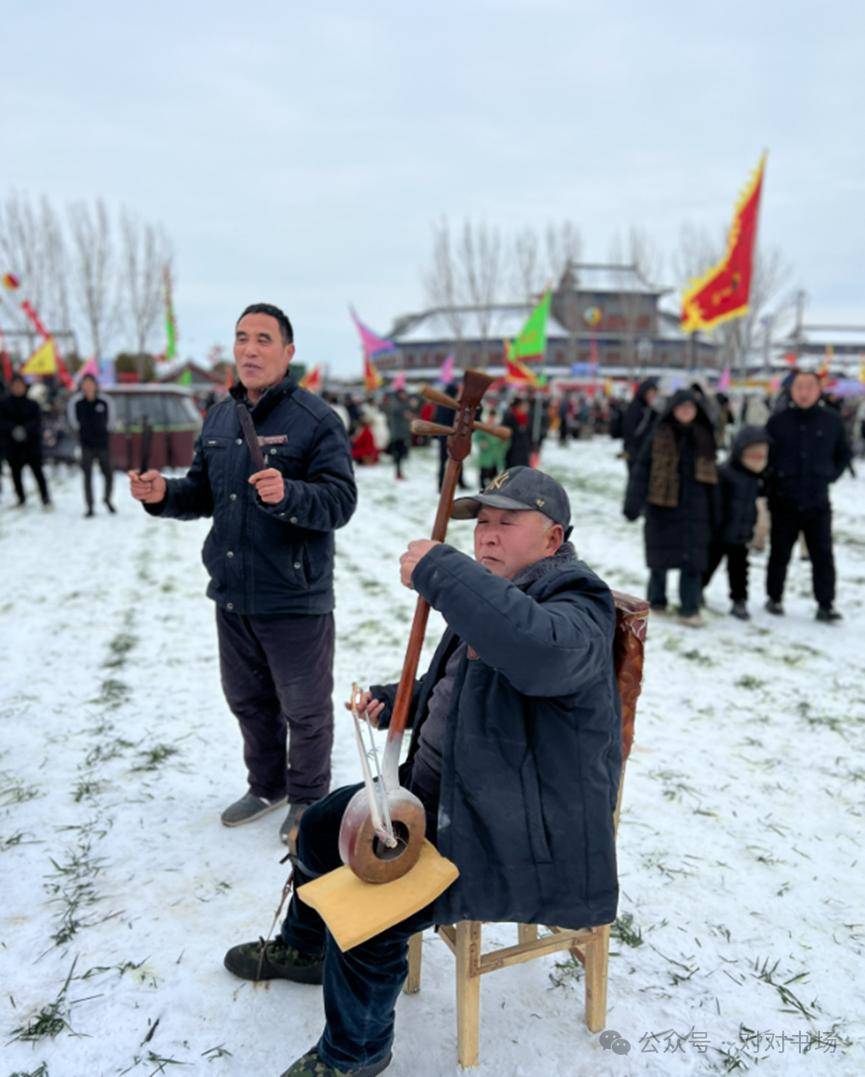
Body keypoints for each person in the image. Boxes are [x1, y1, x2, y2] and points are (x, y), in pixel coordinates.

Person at [223, 466, 620, 1077]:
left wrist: (441, 570)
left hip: (505, 827)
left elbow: (541, 656)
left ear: (553, 537)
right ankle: (305, 947)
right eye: (481, 523)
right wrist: (396, 697)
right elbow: (467, 685)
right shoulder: (498, 595)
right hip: (444, 791)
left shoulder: (577, 605)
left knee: (373, 903)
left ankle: (355, 1054)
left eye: (506, 523)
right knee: (324, 822)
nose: (486, 536)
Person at [129, 302, 357, 845]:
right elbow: (203, 493)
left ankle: (308, 799)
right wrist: (164, 496)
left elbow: (341, 501)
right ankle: (267, 785)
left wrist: (291, 493)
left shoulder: (316, 420)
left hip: (294, 595)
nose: (250, 349)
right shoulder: (220, 416)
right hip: (232, 594)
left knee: (303, 709)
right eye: (241, 338)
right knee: (247, 700)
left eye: (263, 339)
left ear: (288, 352)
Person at [624, 389, 718, 627]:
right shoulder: (658, 434)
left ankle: (690, 608)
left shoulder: (705, 436)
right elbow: (642, 470)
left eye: (690, 408)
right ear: (673, 410)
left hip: (696, 508)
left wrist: (717, 511)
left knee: (693, 562)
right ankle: (657, 602)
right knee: (659, 559)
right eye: (681, 407)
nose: (686, 412)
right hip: (661, 507)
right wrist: (632, 504)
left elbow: (714, 479)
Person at [764, 370, 851, 622]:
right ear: (792, 390)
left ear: (818, 389)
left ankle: (826, 604)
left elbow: (843, 454)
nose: (804, 392)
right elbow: (766, 457)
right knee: (779, 552)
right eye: (799, 387)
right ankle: (774, 597)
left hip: (817, 501)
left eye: (809, 387)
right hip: (784, 500)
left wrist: (829, 475)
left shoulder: (832, 421)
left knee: (822, 554)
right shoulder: (778, 421)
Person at [703, 427, 770, 620]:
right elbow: (715, 504)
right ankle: (698, 589)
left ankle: (739, 600)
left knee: (740, 570)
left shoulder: (758, 478)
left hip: (741, 534)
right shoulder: (725, 473)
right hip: (720, 533)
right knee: (709, 564)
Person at [0, 374, 52, 510]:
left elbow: (37, 422)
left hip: (31, 446)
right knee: (16, 474)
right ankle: (21, 498)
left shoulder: (32, 404)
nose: (17, 388)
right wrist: (13, 429)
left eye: (20, 385)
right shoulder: (4, 404)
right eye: (15, 385)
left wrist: (24, 430)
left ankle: (45, 498)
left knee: (38, 473)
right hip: (12, 446)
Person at [68, 374, 116, 517]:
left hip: (103, 444)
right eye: (85, 383)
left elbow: (112, 421)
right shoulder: (77, 402)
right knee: (87, 476)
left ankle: (107, 499)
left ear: (95, 385)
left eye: (91, 383)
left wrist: (106, 433)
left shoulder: (105, 401)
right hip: (86, 445)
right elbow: (73, 421)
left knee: (108, 473)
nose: (88, 386)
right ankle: (89, 506)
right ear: (81, 386)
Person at [621, 377, 658, 471]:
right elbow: (631, 431)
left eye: (654, 393)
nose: (652, 396)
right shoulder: (635, 408)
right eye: (650, 393)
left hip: (645, 450)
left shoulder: (650, 409)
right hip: (634, 450)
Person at [472, 405, 508, 489]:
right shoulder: (483, 426)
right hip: (485, 455)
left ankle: (492, 488)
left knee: (494, 474)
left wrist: (503, 445)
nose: (491, 419)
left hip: (495, 455)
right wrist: (481, 442)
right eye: (490, 417)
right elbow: (477, 436)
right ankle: (482, 488)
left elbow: (505, 440)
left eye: (493, 417)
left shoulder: (499, 427)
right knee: (483, 473)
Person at [383, 389, 413, 480]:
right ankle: (398, 473)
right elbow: (398, 411)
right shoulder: (395, 404)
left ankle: (399, 472)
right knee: (398, 455)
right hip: (397, 434)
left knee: (403, 454)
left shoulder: (404, 404)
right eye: (402, 394)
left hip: (404, 433)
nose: (404, 395)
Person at [502, 397, 532, 468]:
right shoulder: (509, 417)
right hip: (512, 452)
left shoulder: (526, 418)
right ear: (518, 406)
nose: (527, 408)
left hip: (524, 452)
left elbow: (528, 435)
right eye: (524, 406)